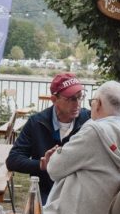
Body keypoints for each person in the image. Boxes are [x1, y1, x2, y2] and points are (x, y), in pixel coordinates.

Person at [46, 80, 120, 214]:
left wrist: (57, 154)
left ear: (98, 104)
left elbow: (54, 169)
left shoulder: (93, 132)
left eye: (92, 101)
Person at [5, 72, 91, 203]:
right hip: (46, 195)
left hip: (80, 196)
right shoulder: (36, 123)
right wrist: (41, 165)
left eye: (80, 97)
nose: (77, 104)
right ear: (54, 100)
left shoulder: (89, 121)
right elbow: (13, 160)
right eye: (71, 99)